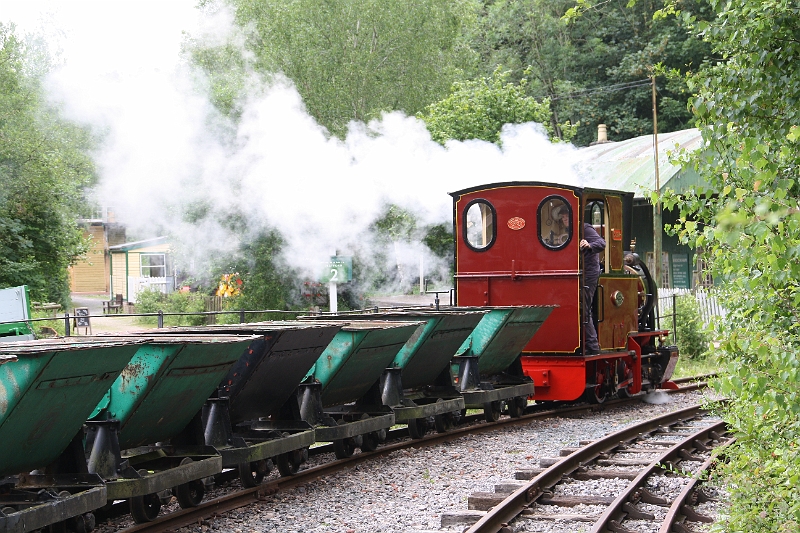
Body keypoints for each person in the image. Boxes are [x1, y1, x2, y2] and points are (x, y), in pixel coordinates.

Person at [580, 222, 606, 354]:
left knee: (583, 308)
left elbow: (601, 243)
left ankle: (592, 345)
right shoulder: (563, 230)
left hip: (588, 273)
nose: (564, 218)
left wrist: (589, 245)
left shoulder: (585, 228)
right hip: (576, 273)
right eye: (562, 217)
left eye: (566, 215)